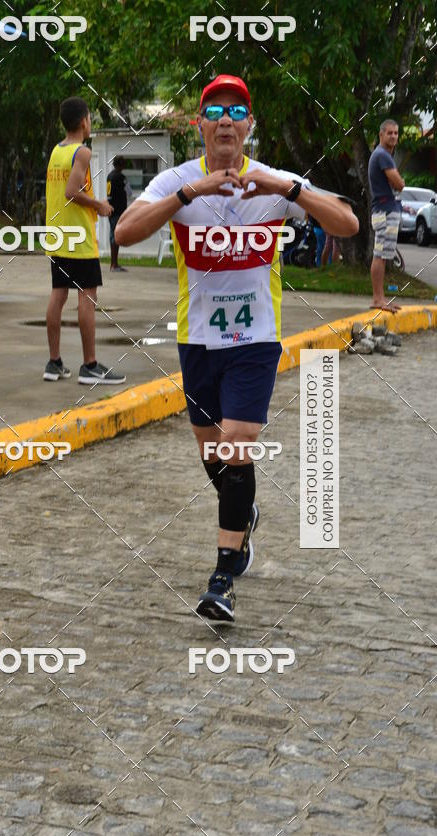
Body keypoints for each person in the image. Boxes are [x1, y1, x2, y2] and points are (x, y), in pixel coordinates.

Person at [115, 74, 358, 622]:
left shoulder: (272, 182)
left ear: (249, 125)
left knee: (237, 442)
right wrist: (188, 195)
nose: (226, 118)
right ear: (200, 125)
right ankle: (243, 515)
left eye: (237, 109)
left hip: (255, 341)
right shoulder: (179, 181)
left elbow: (347, 221)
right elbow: (125, 233)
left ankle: (223, 574)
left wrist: (287, 190)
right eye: (215, 109)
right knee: (211, 451)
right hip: (197, 340)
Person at [43, 96, 126, 385]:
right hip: (78, 239)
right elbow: (70, 191)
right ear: (83, 122)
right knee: (86, 299)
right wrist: (98, 205)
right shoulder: (82, 153)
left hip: (58, 236)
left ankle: (54, 363)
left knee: (58, 295)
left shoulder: (57, 151)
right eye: (90, 118)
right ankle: (90, 366)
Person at [368, 119, 404, 312]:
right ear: (381, 134)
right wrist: (399, 181)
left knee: (383, 255)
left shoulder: (383, 155)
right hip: (385, 210)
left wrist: (397, 180)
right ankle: (377, 299)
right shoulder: (382, 155)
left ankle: (381, 298)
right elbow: (399, 184)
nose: (393, 136)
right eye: (389, 133)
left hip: (386, 209)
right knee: (380, 255)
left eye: (396, 133)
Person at [107, 155, 131, 272]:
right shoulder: (121, 177)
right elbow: (129, 192)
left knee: (112, 235)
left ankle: (113, 263)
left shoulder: (109, 176)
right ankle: (114, 264)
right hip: (119, 210)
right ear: (121, 164)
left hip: (110, 209)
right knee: (116, 236)